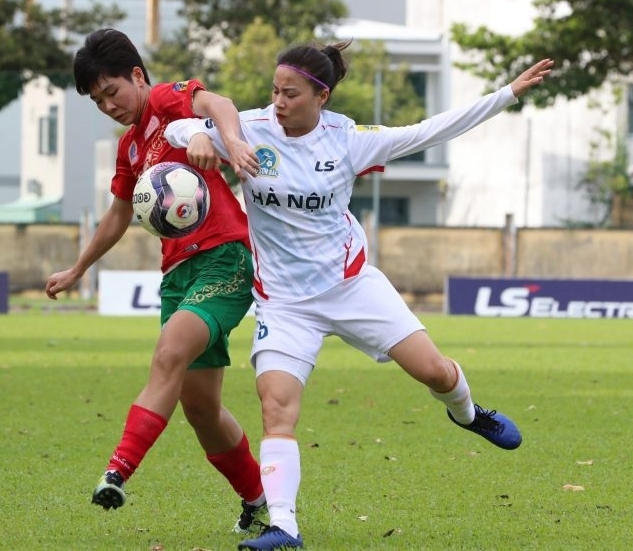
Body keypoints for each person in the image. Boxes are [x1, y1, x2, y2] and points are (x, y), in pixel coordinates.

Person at [165, 40, 553, 550]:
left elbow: (429, 130)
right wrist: (204, 135)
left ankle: (469, 413)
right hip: (284, 302)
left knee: (434, 371)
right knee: (275, 405)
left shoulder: (348, 139)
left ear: (321, 96)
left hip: (351, 285)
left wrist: (506, 94)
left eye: (291, 94)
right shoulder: (250, 129)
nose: (279, 103)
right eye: (275, 91)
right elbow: (177, 124)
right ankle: (284, 525)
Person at [44, 28, 268, 534]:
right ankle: (258, 502)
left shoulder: (169, 102)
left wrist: (225, 137)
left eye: (112, 92)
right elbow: (118, 215)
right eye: (97, 101)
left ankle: (118, 471)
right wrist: (79, 268)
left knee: (168, 354)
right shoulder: (128, 148)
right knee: (202, 408)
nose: (108, 105)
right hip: (177, 274)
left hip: (223, 260)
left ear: (137, 76)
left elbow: (219, 102)